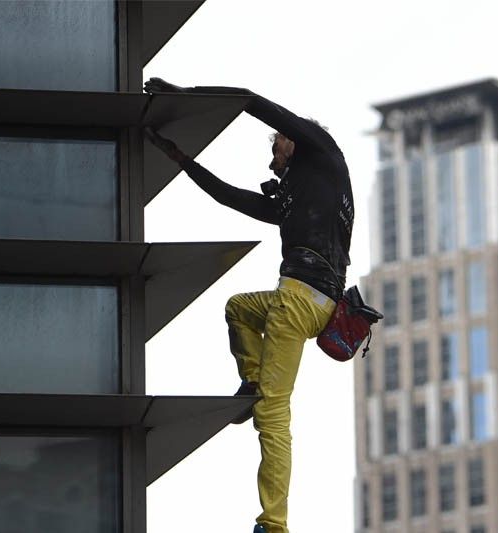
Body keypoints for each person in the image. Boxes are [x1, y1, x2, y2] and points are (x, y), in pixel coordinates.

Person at [144, 78, 354, 533]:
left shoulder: (321, 152)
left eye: (277, 147)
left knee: (274, 415)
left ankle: (274, 524)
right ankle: (251, 382)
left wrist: (186, 94)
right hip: (315, 303)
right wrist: (182, 160)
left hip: (299, 300)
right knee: (238, 307)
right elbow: (228, 197)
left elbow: (252, 102)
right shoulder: (299, 195)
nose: (272, 158)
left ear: (294, 141)